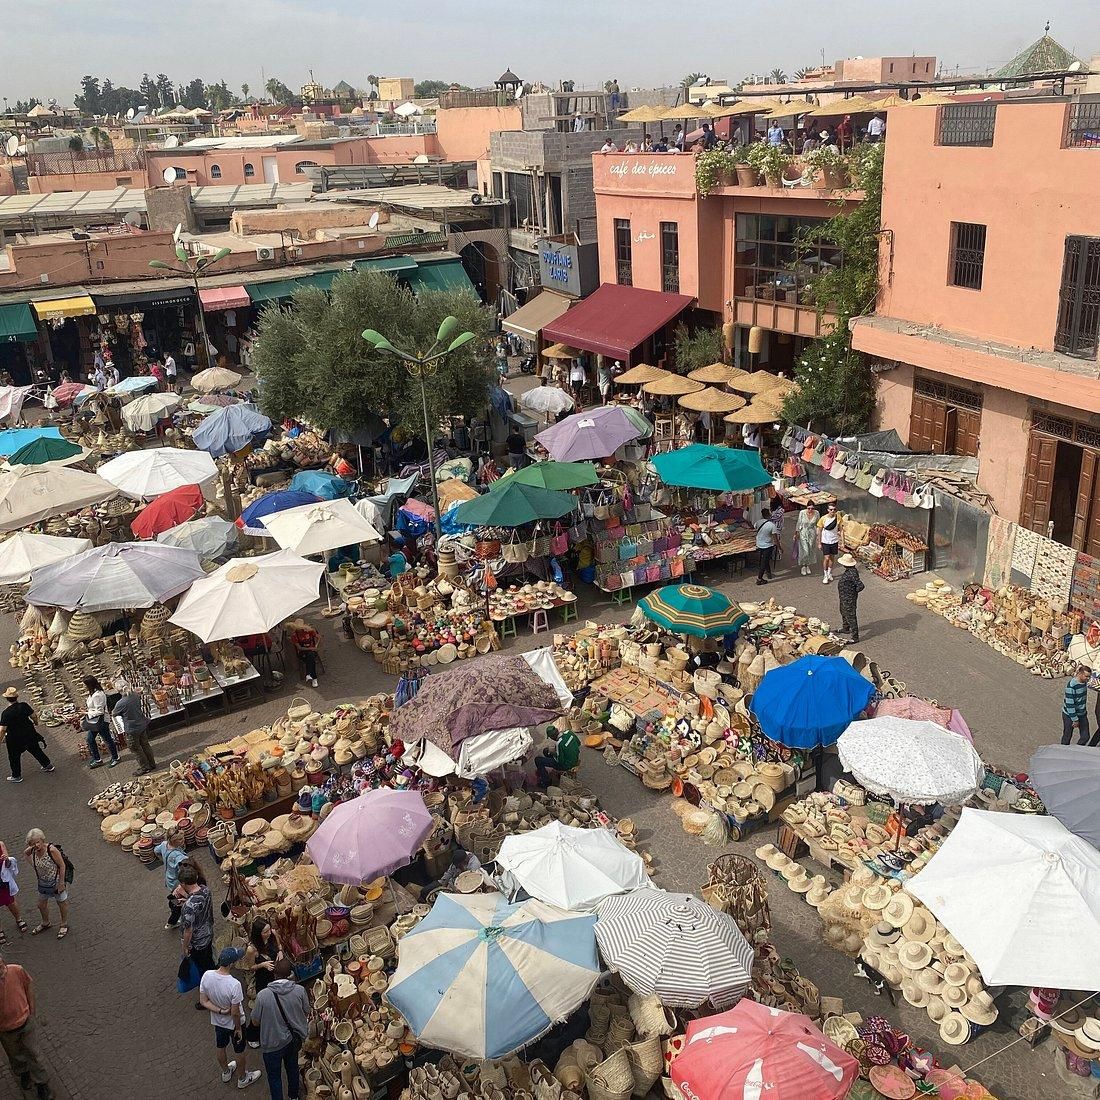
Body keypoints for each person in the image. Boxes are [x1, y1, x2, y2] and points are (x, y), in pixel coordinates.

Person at [199, 946, 262, 1090]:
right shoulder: (234, 984)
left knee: (220, 1046)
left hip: (218, 1022)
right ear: (232, 964)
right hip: (234, 1024)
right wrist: (238, 1028)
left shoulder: (207, 975)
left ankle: (226, 1072)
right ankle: (242, 1078)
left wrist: (220, 1011)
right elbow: (235, 1012)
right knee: (239, 1051)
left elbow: (204, 1001)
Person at [250, 958, 310, 1100]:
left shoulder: (263, 996)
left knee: (274, 1078)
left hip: (272, 1044)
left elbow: (255, 1021)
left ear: (274, 974)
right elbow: (306, 1011)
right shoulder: (299, 990)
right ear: (290, 973)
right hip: (292, 1039)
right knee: (292, 1069)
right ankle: (294, 1096)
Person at [0, 955, 51, 1099]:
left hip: (25, 1022)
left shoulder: (17, 970)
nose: (1, 971)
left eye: (1, 966)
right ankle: (23, 1073)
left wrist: (31, 1010)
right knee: (15, 1055)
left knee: (33, 1053)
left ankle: (41, 1083)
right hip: (5, 1029)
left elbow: (28, 985)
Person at [0, 686, 53, 783]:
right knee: (36, 749)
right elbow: (34, 716)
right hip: (29, 733)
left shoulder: (6, 713)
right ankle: (47, 765)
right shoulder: (24, 706)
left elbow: (2, 729)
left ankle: (16, 776)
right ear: (16, 697)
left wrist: (0, 739)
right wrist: (36, 723)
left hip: (14, 738)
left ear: (7, 699)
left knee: (14, 757)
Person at [24, 830, 68, 941]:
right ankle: (45, 922)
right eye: (33, 843)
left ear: (42, 840)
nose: (36, 845)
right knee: (41, 904)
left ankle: (63, 924)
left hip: (56, 881)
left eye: (38, 842)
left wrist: (61, 883)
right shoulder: (33, 850)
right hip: (43, 883)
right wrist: (34, 865)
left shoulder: (51, 850)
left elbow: (62, 866)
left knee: (61, 903)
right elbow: (26, 853)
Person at [111, 677, 155, 774]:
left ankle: (145, 767)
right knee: (145, 744)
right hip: (141, 724)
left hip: (132, 728)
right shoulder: (135, 695)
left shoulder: (121, 703)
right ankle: (152, 764)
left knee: (135, 748)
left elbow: (114, 713)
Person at [179, 862, 216, 975]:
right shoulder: (205, 890)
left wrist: (185, 947)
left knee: (202, 967)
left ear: (183, 883)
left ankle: (208, 983)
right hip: (209, 932)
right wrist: (187, 899)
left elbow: (188, 930)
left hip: (198, 942)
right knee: (209, 958)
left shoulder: (189, 907)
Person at [80, 676, 119, 769]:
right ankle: (97, 759)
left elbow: (100, 711)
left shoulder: (98, 695)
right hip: (95, 721)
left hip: (100, 721)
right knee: (90, 739)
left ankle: (115, 757)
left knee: (107, 739)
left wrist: (86, 712)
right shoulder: (93, 693)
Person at [155, 829, 190, 931]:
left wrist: (163, 860)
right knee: (178, 903)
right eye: (180, 839)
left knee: (176, 899)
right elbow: (184, 872)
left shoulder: (164, 844)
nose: (183, 840)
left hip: (169, 880)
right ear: (174, 841)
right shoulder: (179, 857)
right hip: (177, 883)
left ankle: (175, 908)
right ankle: (172, 922)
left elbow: (156, 851)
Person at [836, 553, 865, 642]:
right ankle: (846, 628)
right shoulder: (850, 571)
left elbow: (860, 586)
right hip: (844, 596)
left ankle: (855, 637)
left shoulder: (852, 573)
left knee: (850, 616)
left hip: (849, 598)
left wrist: (851, 593)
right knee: (843, 611)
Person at [0, 842, 25, 942]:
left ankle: (19, 919)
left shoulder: (0, 845)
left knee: (10, 902)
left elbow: (8, 864)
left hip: (2, 881)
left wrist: (6, 859)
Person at [1062, 665, 1092, 746]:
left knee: (1085, 736)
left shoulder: (1084, 682)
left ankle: (1076, 750)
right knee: (1067, 736)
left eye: (1089, 677)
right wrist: (1075, 719)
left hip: (1082, 714)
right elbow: (1070, 704)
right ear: (1080, 674)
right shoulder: (1071, 686)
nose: (1088, 679)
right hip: (1069, 715)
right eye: (1086, 676)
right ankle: (1063, 752)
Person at [289, 619, 321, 688]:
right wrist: (311, 648)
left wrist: (316, 646)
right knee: (311, 657)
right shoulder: (294, 635)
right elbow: (299, 648)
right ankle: (313, 677)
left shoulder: (309, 631)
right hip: (302, 652)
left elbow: (319, 637)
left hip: (312, 651)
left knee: (311, 655)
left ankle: (310, 675)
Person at [754, 504, 781, 585]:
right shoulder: (772, 525)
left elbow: (755, 527)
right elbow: (775, 538)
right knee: (764, 561)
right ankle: (759, 579)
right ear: (769, 515)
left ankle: (769, 573)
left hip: (759, 544)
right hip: (768, 545)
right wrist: (780, 548)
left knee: (765, 559)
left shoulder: (758, 522)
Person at [818, 501, 842, 583]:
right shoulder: (823, 519)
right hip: (825, 541)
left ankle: (829, 573)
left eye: (834, 510)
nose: (833, 511)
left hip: (834, 541)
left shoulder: (838, 518)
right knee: (826, 558)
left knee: (832, 558)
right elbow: (819, 531)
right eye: (831, 509)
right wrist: (819, 542)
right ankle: (825, 575)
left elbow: (841, 530)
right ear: (828, 510)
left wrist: (843, 542)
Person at [795, 503, 820, 576]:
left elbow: (818, 524)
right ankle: (803, 565)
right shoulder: (802, 512)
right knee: (804, 550)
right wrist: (796, 533)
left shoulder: (817, 513)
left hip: (812, 533)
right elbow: (799, 523)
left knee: (810, 549)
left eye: (812, 508)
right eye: (809, 508)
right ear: (806, 507)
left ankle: (807, 565)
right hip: (803, 532)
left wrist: (818, 535)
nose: (810, 510)